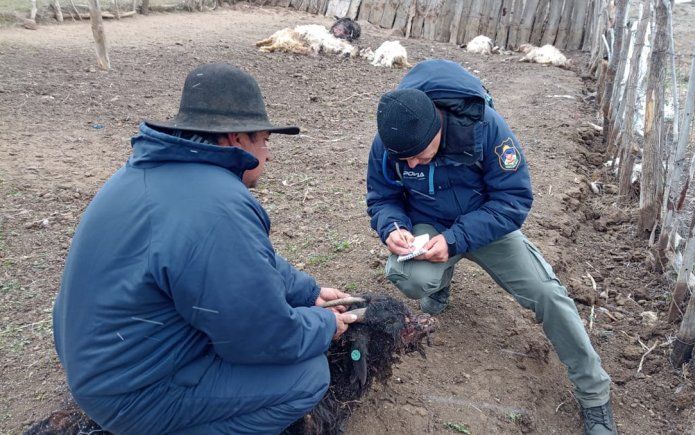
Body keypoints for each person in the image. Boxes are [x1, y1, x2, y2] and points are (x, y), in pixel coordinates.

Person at [53, 63, 358, 434]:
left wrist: (309, 292)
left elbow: (243, 262)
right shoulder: (219, 205)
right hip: (130, 393)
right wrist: (325, 324)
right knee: (306, 376)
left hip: (97, 362)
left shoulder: (149, 172)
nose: (269, 154)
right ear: (235, 139)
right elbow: (261, 338)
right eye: (265, 139)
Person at [366, 59, 617, 435]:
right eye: (406, 160)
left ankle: (594, 395)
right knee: (407, 275)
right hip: (427, 222)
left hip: (484, 224)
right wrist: (393, 227)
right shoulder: (392, 140)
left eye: (420, 154)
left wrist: (455, 241)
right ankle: (439, 282)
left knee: (547, 294)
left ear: (438, 124)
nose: (413, 163)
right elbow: (382, 196)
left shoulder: (485, 128)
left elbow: (513, 200)